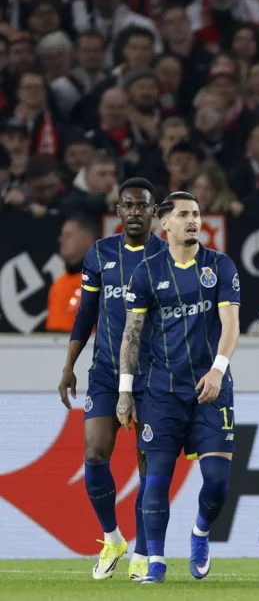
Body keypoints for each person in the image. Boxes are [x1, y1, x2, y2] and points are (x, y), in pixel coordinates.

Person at [117, 192, 239, 584]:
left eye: (197, 214)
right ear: (165, 223)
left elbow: (231, 324)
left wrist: (218, 370)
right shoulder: (146, 272)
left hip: (210, 389)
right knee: (156, 480)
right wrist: (125, 391)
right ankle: (155, 562)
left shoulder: (219, 265)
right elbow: (131, 335)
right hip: (162, 392)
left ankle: (200, 532)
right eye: (184, 214)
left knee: (217, 480)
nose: (193, 220)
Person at [58, 178, 164, 581]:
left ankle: (143, 552)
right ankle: (112, 537)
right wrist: (69, 365)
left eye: (142, 205)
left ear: (154, 212)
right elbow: (86, 312)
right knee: (95, 453)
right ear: (118, 211)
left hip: (152, 374)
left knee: (148, 464)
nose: (135, 211)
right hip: (105, 371)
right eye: (128, 205)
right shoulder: (100, 253)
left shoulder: (167, 256)